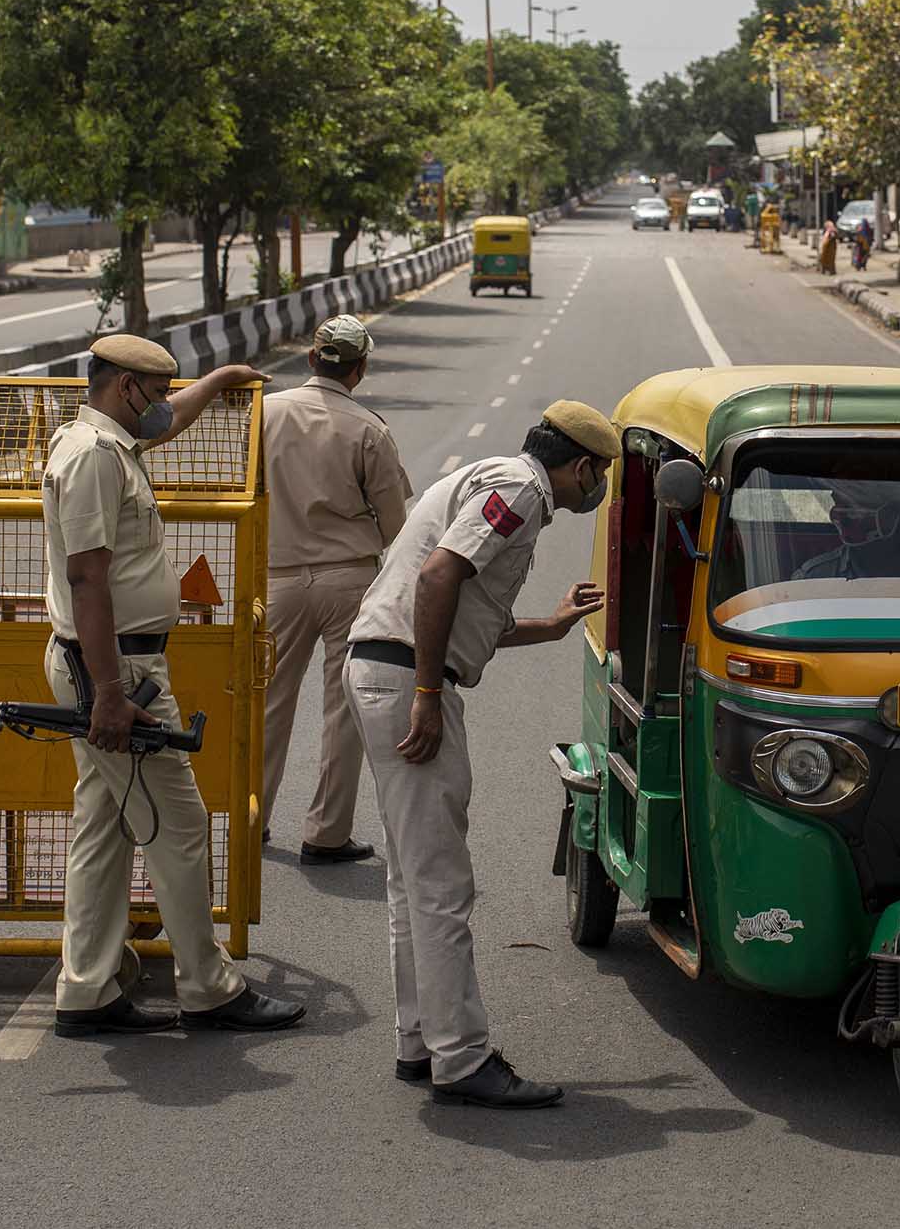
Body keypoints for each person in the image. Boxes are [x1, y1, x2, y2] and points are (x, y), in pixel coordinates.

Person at [345, 402, 613, 1108]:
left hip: (385, 666)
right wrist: (429, 693)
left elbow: (460, 614)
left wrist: (549, 627)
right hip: (406, 676)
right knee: (441, 886)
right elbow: (438, 578)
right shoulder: (521, 491)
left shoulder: (494, 476)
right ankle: (461, 1061)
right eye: (602, 474)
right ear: (582, 467)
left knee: (412, 881)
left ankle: (422, 1043)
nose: (600, 490)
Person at [42, 333, 303, 1038]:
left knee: (103, 827)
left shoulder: (101, 441)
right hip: (114, 668)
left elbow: (172, 418)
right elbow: (87, 578)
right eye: (154, 394)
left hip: (114, 663)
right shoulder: (96, 460)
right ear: (126, 388)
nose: (163, 407)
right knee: (180, 824)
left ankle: (88, 987)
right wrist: (107, 693)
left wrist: (217, 381)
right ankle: (209, 987)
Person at [257, 314, 414, 864]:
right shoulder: (368, 429)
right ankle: (326, 834)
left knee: (266, 706)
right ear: (360, 368)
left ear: (310, 359)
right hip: (349, 581)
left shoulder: (265, 413)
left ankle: (252, 817)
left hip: (276, 579)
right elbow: (397, 528)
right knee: (343, 709)